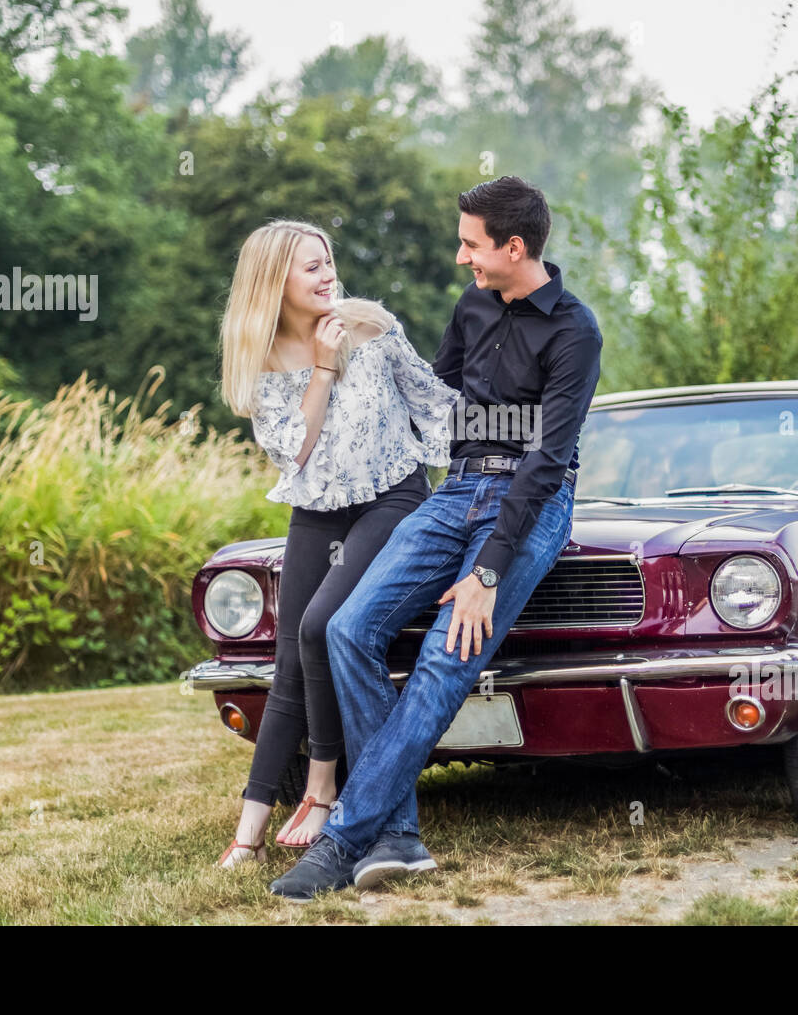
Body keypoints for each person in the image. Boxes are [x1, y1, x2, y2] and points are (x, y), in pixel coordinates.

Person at [269, 176, 603, 900]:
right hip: (454, 490)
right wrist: (332, 379)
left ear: (514, 247)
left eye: (471, 244)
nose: (462, 259)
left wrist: (486, 570)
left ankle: (346, 836)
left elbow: (548, 460)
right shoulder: (474, 308)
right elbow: (430, 400)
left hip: (528, 504)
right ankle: (400, 837)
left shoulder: (575, 331)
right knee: (350, 629)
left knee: (444, 657)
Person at [214, 219, 459, 865]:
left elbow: (434, 404)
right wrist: (322, 369)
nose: (328, 276)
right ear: (276, 283)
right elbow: (295, 452)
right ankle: (249, 831)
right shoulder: (262, 358)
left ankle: (323, 787)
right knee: (291, 654)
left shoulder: (372, 328)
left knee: (323, 624)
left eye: (328, 263)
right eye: (311, 268)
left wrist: (485, 471)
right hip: (317, 510)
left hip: (392, 496)